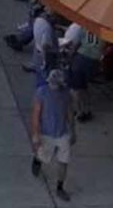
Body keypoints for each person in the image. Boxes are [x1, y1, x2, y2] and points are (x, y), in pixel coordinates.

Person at [30, 66, 77, 201]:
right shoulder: (42, 93)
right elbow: (36, 115)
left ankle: (60, 188)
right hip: (46, 133)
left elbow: (69, 112)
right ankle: (37, 160)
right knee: (44, 156)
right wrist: (36, 135)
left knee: (63, 162)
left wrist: (73, 130)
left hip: (63, 133)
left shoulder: (66, 93)